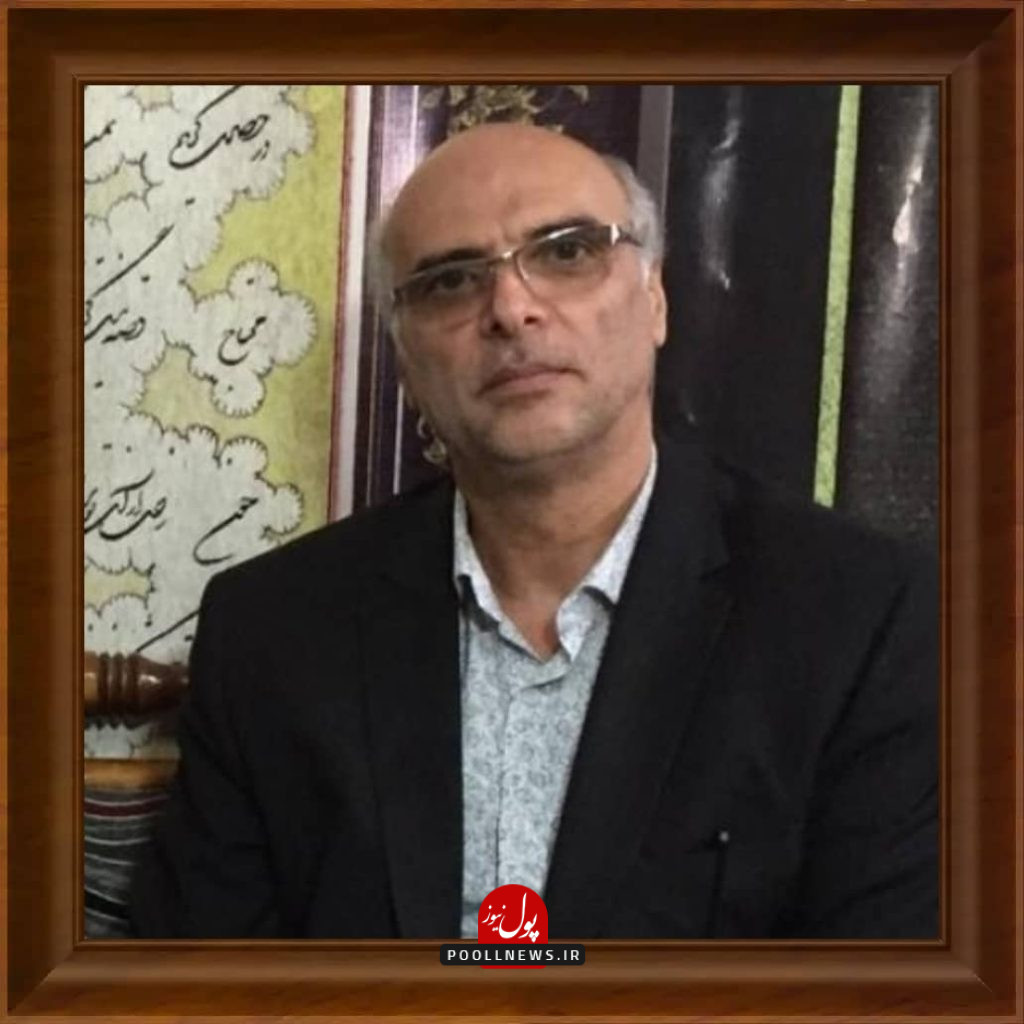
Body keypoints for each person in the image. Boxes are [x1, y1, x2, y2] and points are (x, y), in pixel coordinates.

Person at [130, 123, 938, 940]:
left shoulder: (862, 618)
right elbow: (203, 972)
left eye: (567, 252)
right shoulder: (274, 631)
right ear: (404, 360)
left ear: (655, 299)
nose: (511, 310)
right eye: (451, 280)